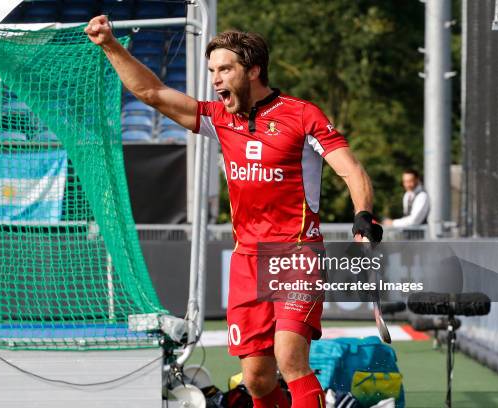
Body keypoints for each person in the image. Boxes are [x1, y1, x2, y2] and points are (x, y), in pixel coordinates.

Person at [86, 16, 382, 408]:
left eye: (224, 69)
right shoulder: (218, 118)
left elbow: (352, 169)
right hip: (246, 260)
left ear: (253, 69)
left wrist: (363, 215)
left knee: (290, 359)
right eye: (212, 71)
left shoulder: (302, 115)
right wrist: (109, 44)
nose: (215, 79)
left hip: (296, 254)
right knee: (257, 381)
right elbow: (152, 92)